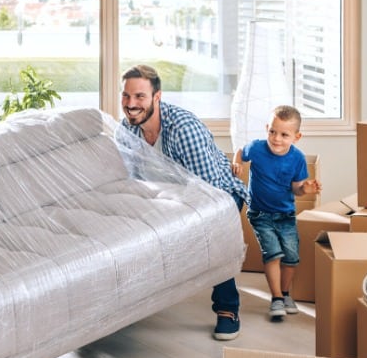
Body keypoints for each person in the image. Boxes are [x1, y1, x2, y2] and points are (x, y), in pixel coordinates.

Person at [119, 64, 249, 340]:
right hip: (167, 198)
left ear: (157, 97)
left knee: (211, 233)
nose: (131, 104)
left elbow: (211, 195)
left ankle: (228, 308)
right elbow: (133, 182)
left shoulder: (182, 129)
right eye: (126, 96)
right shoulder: (127, 130)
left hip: (218, 196)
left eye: (139, 97)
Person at [232, 105, 321, 320]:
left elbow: (296, 188)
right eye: (272, 131)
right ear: (266, 129)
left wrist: (305, 189)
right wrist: (236, 163)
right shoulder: (258, 148)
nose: (276, 139)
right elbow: (241, 152)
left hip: (285, 214)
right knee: (273, 254)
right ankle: (276, 298)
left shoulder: (297, 159)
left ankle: (286, 293)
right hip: (260, 213)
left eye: (284, 134)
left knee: (291, 257)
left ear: (296, 137)